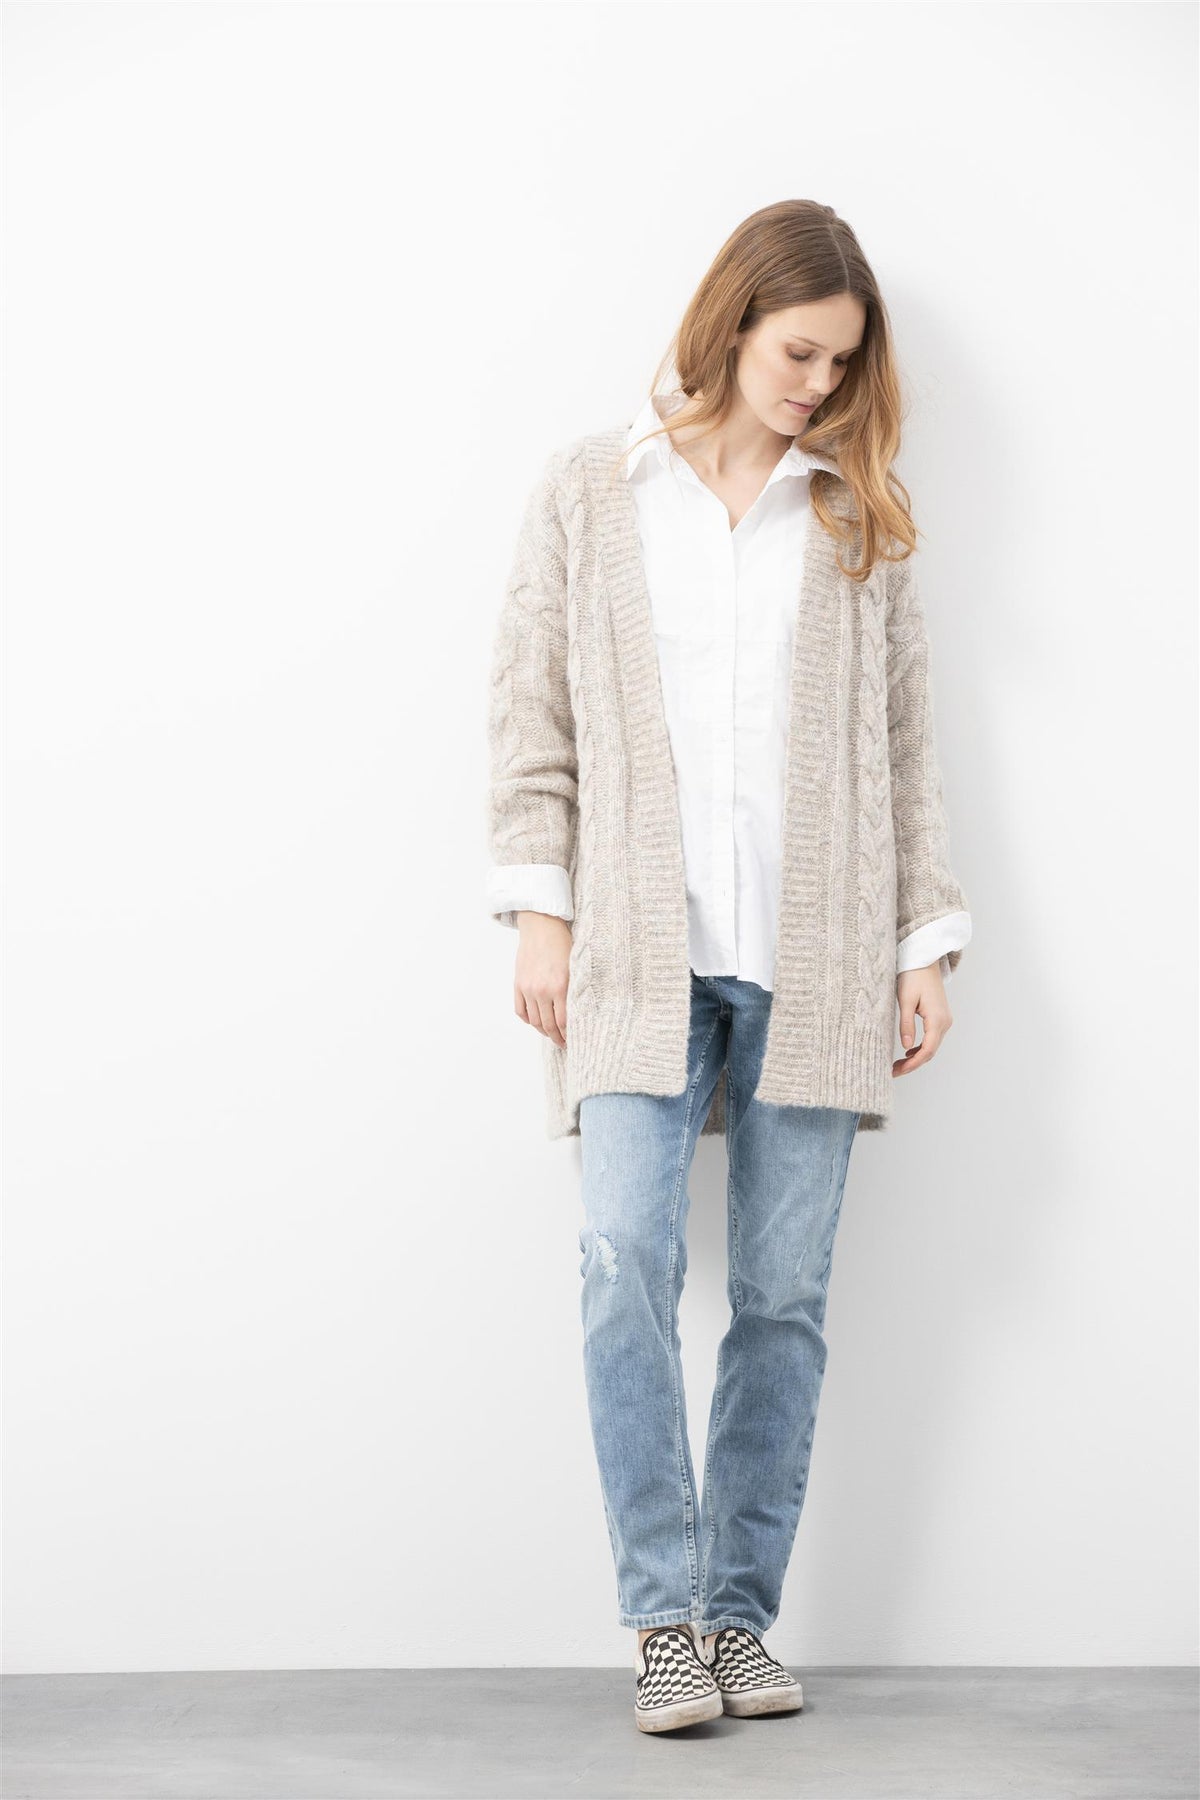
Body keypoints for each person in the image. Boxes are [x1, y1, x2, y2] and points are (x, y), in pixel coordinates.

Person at [484, 198, 972, 1734]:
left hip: (814, 962)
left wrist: (923, 944)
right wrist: (542, 912)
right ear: (734, 321)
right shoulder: (593, 491)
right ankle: (661, 1620)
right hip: (638, 956)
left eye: (841, 363)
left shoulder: (857, 516)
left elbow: (907, 750)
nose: (819, 385)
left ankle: (737, 1618)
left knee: (783, 1295)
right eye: (799, 352)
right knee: (622, 1263)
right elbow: (531, 715)